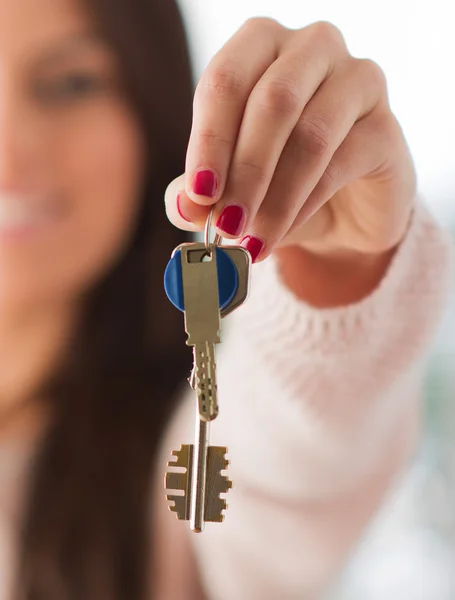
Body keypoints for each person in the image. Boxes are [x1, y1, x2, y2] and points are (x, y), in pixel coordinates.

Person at [0, 0, 452, 598]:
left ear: (151, 106)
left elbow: (287, 483)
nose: (11, 148)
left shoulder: (169, 468)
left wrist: (337, 271)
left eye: (71, 83)